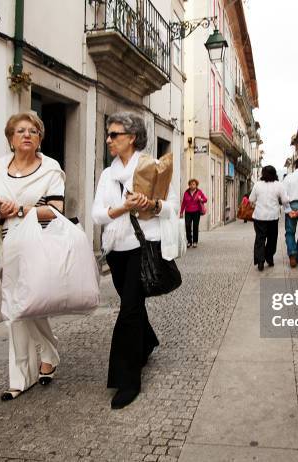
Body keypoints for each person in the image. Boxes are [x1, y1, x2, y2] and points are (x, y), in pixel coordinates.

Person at [0, 112, 65, 401]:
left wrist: (21, 210)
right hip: (7, 242)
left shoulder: (50, 169)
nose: (27, 134)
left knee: (31, 305)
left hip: (39, 242)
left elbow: (57, 209)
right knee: (13, 309)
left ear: (39, 138)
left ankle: (46, 355)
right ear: (11, 138)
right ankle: (22, 376)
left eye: (33, 131)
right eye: (20, 130)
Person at [91, 112, 178, 409]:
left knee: (128, 311)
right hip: (115, 249)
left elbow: (172, 207)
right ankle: (148, 342)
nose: (108, 140)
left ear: (131, 136)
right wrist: (122, 208)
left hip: (143, 246)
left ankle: (127, 381)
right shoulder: (107, 174)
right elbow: (97, 214)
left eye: (113, 135)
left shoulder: (153, 167)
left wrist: (152, 204)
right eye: (108, 134)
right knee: (134, 305)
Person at [249, 165, 289, 271]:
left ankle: (260, 262)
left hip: (259, 217)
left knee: (260, 238)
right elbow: (285, 200)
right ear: (275, 173)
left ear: (263, 173)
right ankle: (269, 257)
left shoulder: (257, 185)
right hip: (273, 217)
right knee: (272, 239)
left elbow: (251, 199)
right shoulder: (279, 185)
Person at [180, 179, 208, 248]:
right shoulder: (186, 192)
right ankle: (189, 241)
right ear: (189, 185)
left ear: (196, 185)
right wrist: (181, 212)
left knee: (195, 226)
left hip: (196, 211)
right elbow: (183, 203)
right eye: (190, 184)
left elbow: (205, 199)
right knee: (187, 225)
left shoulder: (199, 192)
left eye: (193, 184)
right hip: (188, 212)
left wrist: (201, 199)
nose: (192, 186)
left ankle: (195, 241)